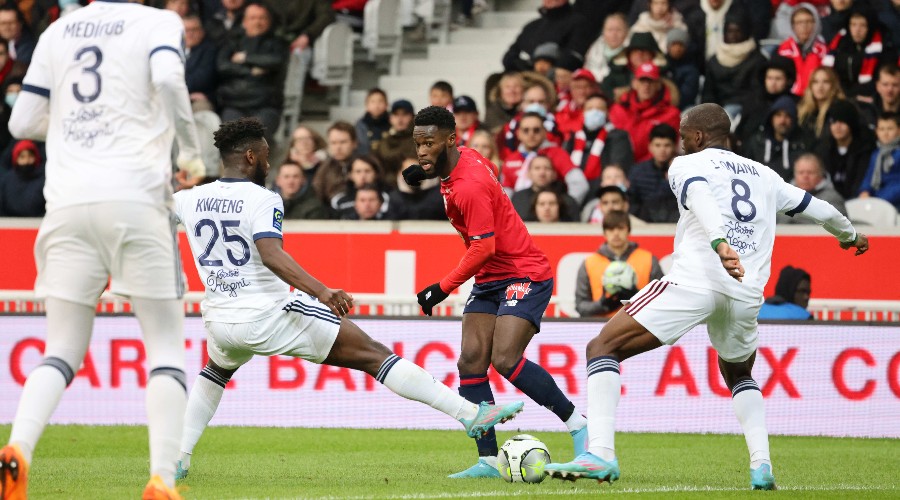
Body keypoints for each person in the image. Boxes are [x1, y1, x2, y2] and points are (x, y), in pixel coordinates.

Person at [172, 118, 524, 481]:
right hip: (269, 314)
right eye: (264, 156)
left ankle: (178, 456)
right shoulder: (263, 199)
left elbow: (149, 216)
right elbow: (271, 254)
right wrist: (322, 292)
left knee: (214, 373)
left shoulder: (189, 198)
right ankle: (470, 414)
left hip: (220, 319)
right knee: (375, 354)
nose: (269, 164)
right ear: (249, 156)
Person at [544, 103, 869, 491]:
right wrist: (849, 234)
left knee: (602, 347)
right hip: (745, 293)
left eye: (683, 137)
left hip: (696, 281)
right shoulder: (765, 175)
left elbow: (699, 196)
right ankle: (761, 466)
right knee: (739, 374)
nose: (681, 144)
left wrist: (719, 241)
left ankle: (600, 453)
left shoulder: (687, 165)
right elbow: (816, 208)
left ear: (697, 136)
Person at [0, 1, 208, 498]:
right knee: (163, 348)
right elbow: (168, 81)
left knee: (61, 349)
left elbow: (21, 122)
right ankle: (161, 477)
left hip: (68, 205)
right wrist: (192, 153)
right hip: (135, 198)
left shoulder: (57, 30)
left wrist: (77, 127)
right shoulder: (158, 22)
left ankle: (18, 449)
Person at [404, 106, 589, 479]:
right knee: (471, 361)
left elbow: (483, 248)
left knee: (505, 359)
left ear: (450, 140)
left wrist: (441, 289)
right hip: (491, 278)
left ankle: (579, 427)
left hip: (525, 272)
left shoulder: (468, 185)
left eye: (430, 144)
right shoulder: (468, 158)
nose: (422, 150)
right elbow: (491, 171)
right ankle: (488, 461)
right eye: (418, 144)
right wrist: (427, 173)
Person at [216, 2, 287, 145]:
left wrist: (244, 58)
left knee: (257, 138)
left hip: (266, 105)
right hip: (234, 103)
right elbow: (222, 66)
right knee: (232, 139)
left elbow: (276, 61)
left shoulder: (277, 43)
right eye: (253, 18)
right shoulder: (232, 42)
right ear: (244, 21)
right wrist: (251, 70)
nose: (258, 22)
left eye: (262, 18)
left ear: (269, 21)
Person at [575, 210, 663, 318]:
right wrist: (603, 306)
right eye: (611, 229)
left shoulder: (649, 260)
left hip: (640, 327)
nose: (616, 233)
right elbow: (580, 306)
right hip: (601, 328)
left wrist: (637, 299)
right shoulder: (589, 263)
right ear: (604, 232)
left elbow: (662, 301)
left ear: (628, 230)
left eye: (621, 228)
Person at [608, 62, 681, 163]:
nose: (646, 86)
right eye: (642, 81)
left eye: (650, 81)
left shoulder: (671, 114)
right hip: (620, 167)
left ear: (658, 85)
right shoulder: (618, 109)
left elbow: (670, 146)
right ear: (634, 83)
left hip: (653, 168)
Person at [501, 0, 592, 72]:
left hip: (560, 79)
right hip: (529, 79)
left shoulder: (578, 23)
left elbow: (574, 56)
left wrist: (548, 68)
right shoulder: (531, 27)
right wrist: (531, 68)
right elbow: (509, 58)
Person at [562, 94, 634, 182]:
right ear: (583, 113)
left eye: (599, 109)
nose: (594, 112)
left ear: (607, 113)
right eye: (589, 109)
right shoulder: (573, 138)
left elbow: (617, 169)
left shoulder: (618, 137)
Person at [742, 95, 812, 182]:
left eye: (787, 116)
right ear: (771, 118)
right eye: (778, 115)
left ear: (794, 119)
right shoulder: (757, 142)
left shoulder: (803, 145)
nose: (782, 120)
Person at [814, 99, 875, 199]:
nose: (837, 127)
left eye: (842, 121)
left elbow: (860, 183)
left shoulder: (865, 150)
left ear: (851, 124)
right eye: (833, 122)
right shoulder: (823, 150)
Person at [627, 123, 681, 223]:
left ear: (674, 146)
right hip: (644, 226)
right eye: (657, 145)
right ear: (650, 146)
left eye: (667, 145)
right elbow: (632, 203)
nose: (662, 150)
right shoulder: (638, 172)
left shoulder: (684, 170)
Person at [777, 153, 848, 224]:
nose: (805, 177)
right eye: (801, 172)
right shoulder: (783, 198)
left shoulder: (832, 199)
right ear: (795, 175)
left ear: (820, 174)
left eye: (810, 172)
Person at [774, 3, 828, 97]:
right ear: (793, 26)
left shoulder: (824, 50)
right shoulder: (783, 50)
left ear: (816, 24)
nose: (804, 26)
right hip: (787, 97)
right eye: (799, 22)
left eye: (808, 21)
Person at [511, 154, 579, 222]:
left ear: (554, 174)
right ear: (528, 173)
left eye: (547, 168)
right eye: (537, 168)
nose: (542, 173)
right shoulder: (518, 198)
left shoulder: (568, 202)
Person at [859, 112, 900, 209]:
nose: (885, 133)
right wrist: (864, 191)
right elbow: (869, 177)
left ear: (898, 130)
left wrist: (880, 199)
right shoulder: (876, 154)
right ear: (876, 132)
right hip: (876, 203)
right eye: (881, 129)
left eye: (890, 129)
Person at [0, 139, 45, 217]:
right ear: (16, 159)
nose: (26, 161)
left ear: (36, 158)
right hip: (9, 226)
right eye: (22, 157)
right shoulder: (6, 181)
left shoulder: (44, 181)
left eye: (30, 156)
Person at [355, 88, 391, 155]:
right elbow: (362, 147)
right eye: (372, 102)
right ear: (367, 105)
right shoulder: (361, 124)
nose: (377, 105)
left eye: (380, 101)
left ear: (386, 105)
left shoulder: (392, 121)